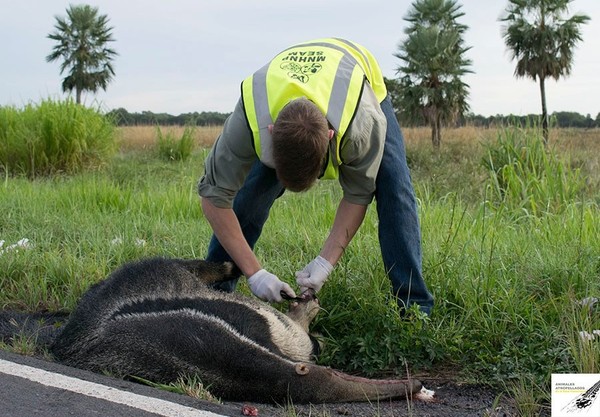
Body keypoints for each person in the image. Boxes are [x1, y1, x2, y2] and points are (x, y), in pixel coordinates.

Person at [197, 37, 434, 315]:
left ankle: (414, 307)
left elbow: (358, 194)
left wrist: (325, 262)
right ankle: (214, 296)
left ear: (331, 138)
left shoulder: (361, 123)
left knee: (394, 187)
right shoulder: (248, 118)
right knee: (251, 193)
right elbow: (214, 198)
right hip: (285, 79)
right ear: (271, 133)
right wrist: (255, 273)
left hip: (360, 79)